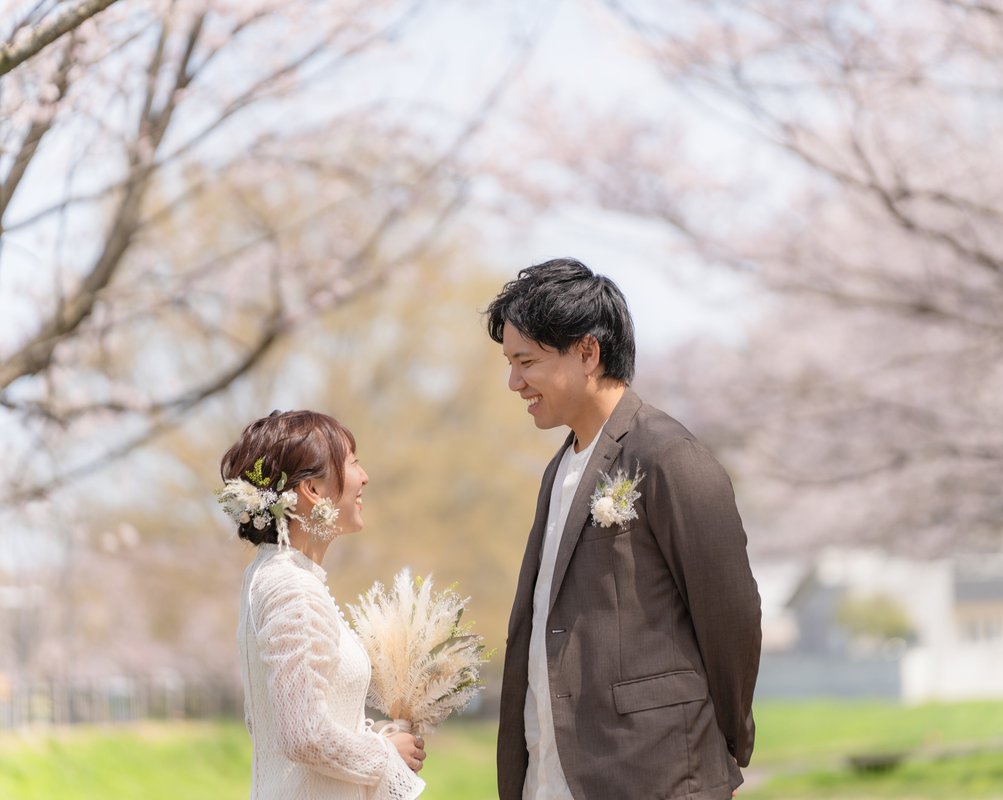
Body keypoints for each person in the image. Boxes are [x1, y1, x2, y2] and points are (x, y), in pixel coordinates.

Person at [485, 259, 762, 800]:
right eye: (509, 363)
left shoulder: (668, 456)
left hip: (652, 771)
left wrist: (720, 740)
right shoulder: (560, 466)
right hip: (551, 773)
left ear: (587, 352)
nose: (514, 382)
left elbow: (731, 614)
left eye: (526, 362)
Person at [219, 410, 426, 800]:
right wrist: (385, 756)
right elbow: (302, 735)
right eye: (352, 462)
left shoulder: (275, 574)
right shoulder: (291, 586)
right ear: (312, 489)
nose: (364, 477)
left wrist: (378, 737)